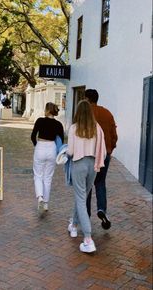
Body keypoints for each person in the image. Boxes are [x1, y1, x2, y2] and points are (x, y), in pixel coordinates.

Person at [67, 100, 106, 253]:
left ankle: (88, 238)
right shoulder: (97, 128)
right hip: (93, 165)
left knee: (81, 197)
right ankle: (74, 226)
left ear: (78, 112)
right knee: (82, 196)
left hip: (79, 164)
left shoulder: (74, 128)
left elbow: (70, 151)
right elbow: (102, 152)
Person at [85, 89, 118, 230]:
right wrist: (110, 148)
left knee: (87, 184)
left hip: (88, 153)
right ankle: (101, 210)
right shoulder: (107, 113)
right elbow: (114, 134)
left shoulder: (84, 114)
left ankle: (85, 214)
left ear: (87, 99)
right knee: (100, 182)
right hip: (104, 153)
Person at [31, 102, 64, 215]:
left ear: (47, 110)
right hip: (52, 149)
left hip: (40, 146)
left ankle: (40, 196)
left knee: (38, 175)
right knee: (48, 177)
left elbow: (32, 136)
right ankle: (46, 203)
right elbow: (61, 141)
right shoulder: (59, 124)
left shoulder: (40, 121)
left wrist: (37, 145)